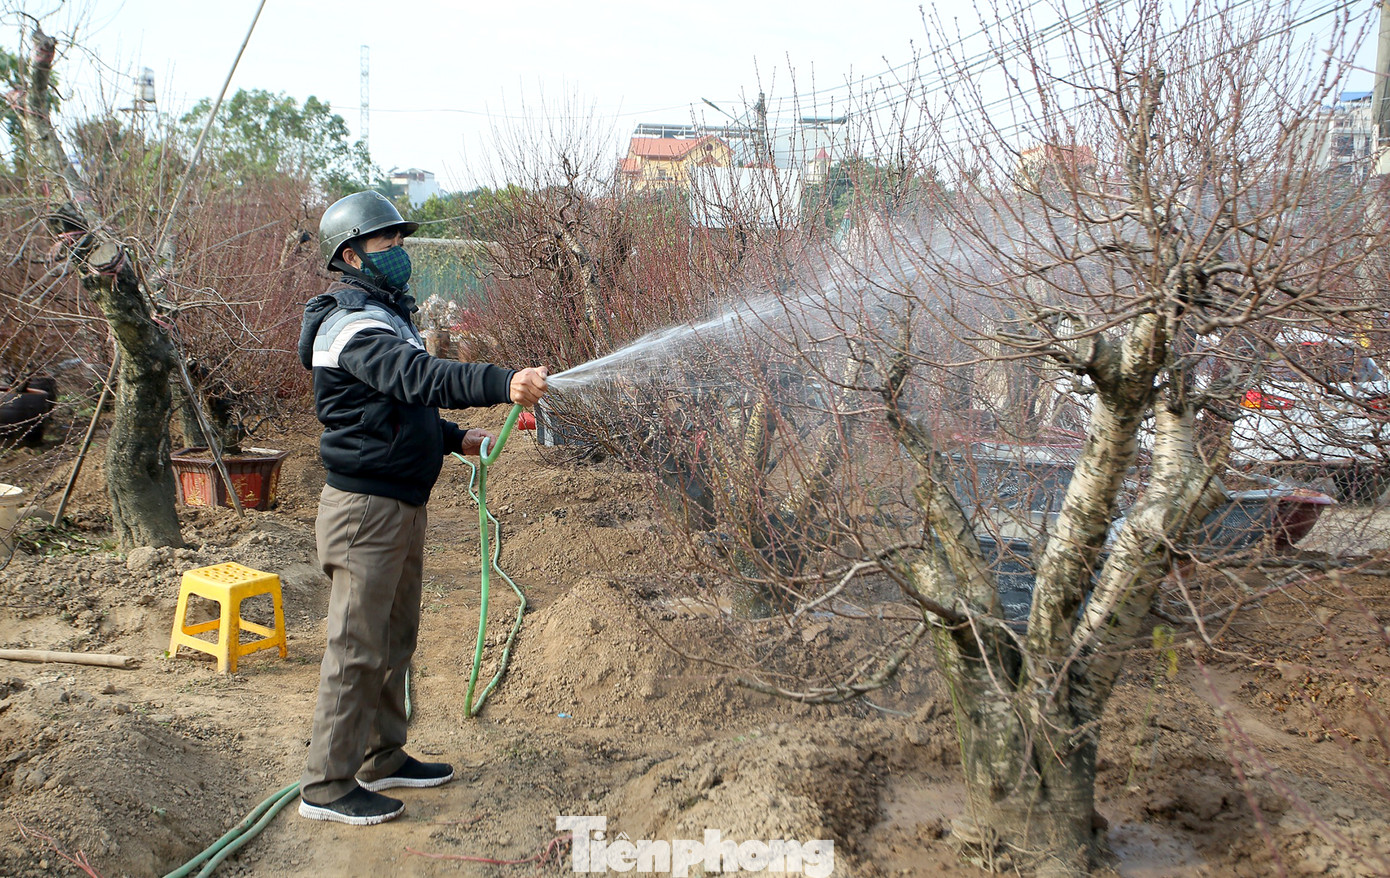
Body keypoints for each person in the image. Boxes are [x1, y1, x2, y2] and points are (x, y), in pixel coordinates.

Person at [295, 190, 547, 825]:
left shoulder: (384, 313)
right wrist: (500, 383)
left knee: (395, 640)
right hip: (364, 513)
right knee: (357, 648)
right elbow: (418, 378)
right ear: (351, 254)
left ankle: (383, 755)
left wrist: (458, 438)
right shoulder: (350, 323)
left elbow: (400, 410)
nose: (400, 253)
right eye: (388, 243)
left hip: (401, 504)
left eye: (401, 242)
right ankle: (326, 786)